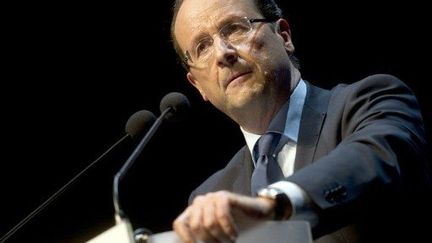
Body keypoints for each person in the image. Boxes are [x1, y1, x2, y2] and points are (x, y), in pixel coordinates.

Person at [169, 0, 432, 242]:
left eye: (235, 28)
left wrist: (274, 204)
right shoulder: (210, 198)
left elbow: (376, 157)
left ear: (284, 36)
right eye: (202, 47)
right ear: (197, 86)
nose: (222, 54)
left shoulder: (370, 102)